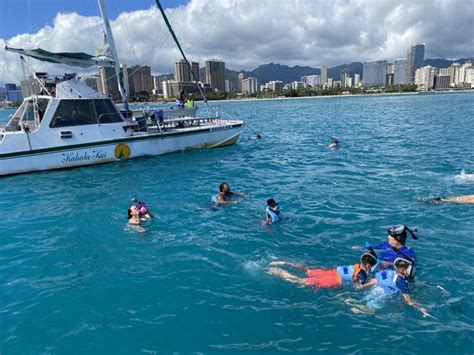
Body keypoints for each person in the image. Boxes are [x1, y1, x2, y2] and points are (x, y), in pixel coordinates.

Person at [358, 258, 433, 318]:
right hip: (382, 295)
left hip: (374, 289)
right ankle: (354, 308)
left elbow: (376, 280)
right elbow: (408, 300)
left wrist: (364, 285)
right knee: (370, 310)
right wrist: (423, 310)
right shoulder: (401, 282)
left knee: (365, 301)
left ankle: (353, 303)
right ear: (402, 270)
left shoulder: (389, 272)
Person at [268, 252, 378, 289]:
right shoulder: (362, 275)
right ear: (368, 266)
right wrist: (371, 283)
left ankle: (284, 263)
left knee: (307, 270)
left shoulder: (357, 265)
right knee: (299, 281)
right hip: (333, 280)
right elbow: (358, 287)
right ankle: (278, 272)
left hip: (332, 272)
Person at [352, 225, 417, 271]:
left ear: (397, 239)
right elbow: (374, 247)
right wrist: (360, 247)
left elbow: (412, 267)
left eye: (390, 236)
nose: (388, 237)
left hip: (390, 274)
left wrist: (389, 264)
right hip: (376, 267)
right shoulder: (385, 245)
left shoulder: (408, 252)